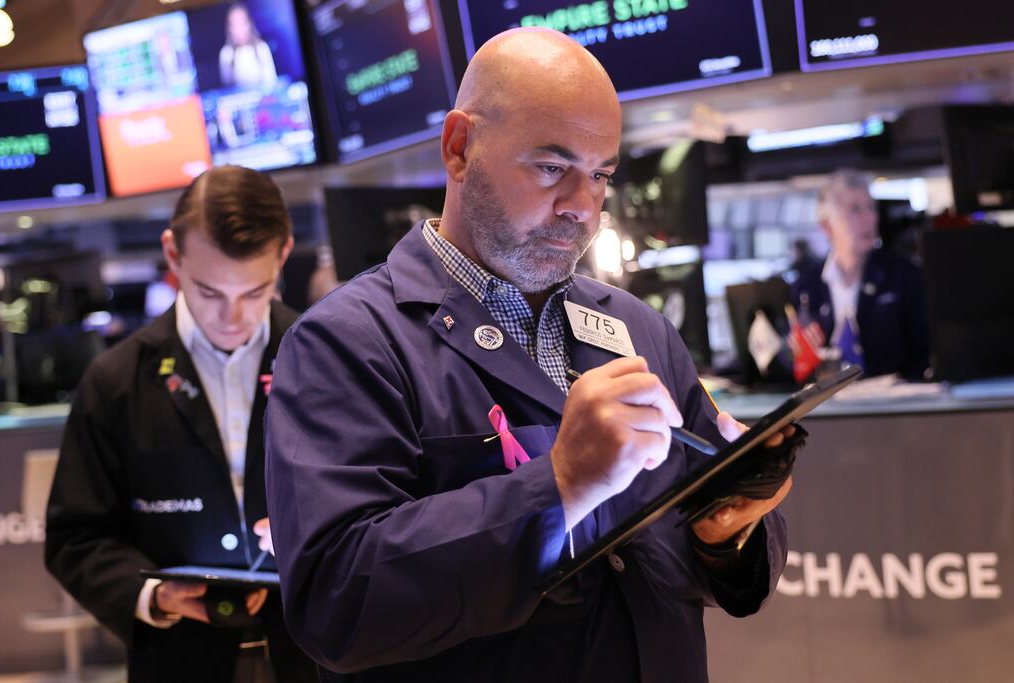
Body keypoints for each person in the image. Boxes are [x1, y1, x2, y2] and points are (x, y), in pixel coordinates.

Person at [266, 29, 794, 682]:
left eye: (600, 175)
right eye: (551, 168)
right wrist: (560, 483)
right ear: (459, 148)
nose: (582, 208)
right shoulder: (345, 342)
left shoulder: (639, 328)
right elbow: (336, 599)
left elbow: (701, 557)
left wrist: (727, 531)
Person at [45, 166, 316, 682]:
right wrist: (153, 595)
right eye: (210, 292)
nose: (233, 317)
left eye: (255, 292)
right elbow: (74, 537)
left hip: (313, 658)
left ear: (283, 255)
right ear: (173, 256)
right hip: (180, 662)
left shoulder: (327, 357)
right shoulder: (116, 379)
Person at [792, 169, 929, 379]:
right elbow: (797, 358)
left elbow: (925, 352)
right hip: (830, 397)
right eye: (855, 210)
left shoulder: (904, 275)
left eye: (871, 208)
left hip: (893, 396)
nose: (869, 218)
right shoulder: (806, 284)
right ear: (827, 226)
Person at [220, 3, 278, 91]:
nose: (238, 29)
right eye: (234, 25)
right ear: (229, 28)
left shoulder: (262, 48)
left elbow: (272, 83)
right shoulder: (226, 54)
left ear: (249, 24)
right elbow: (226, 89)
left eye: (242, 23)